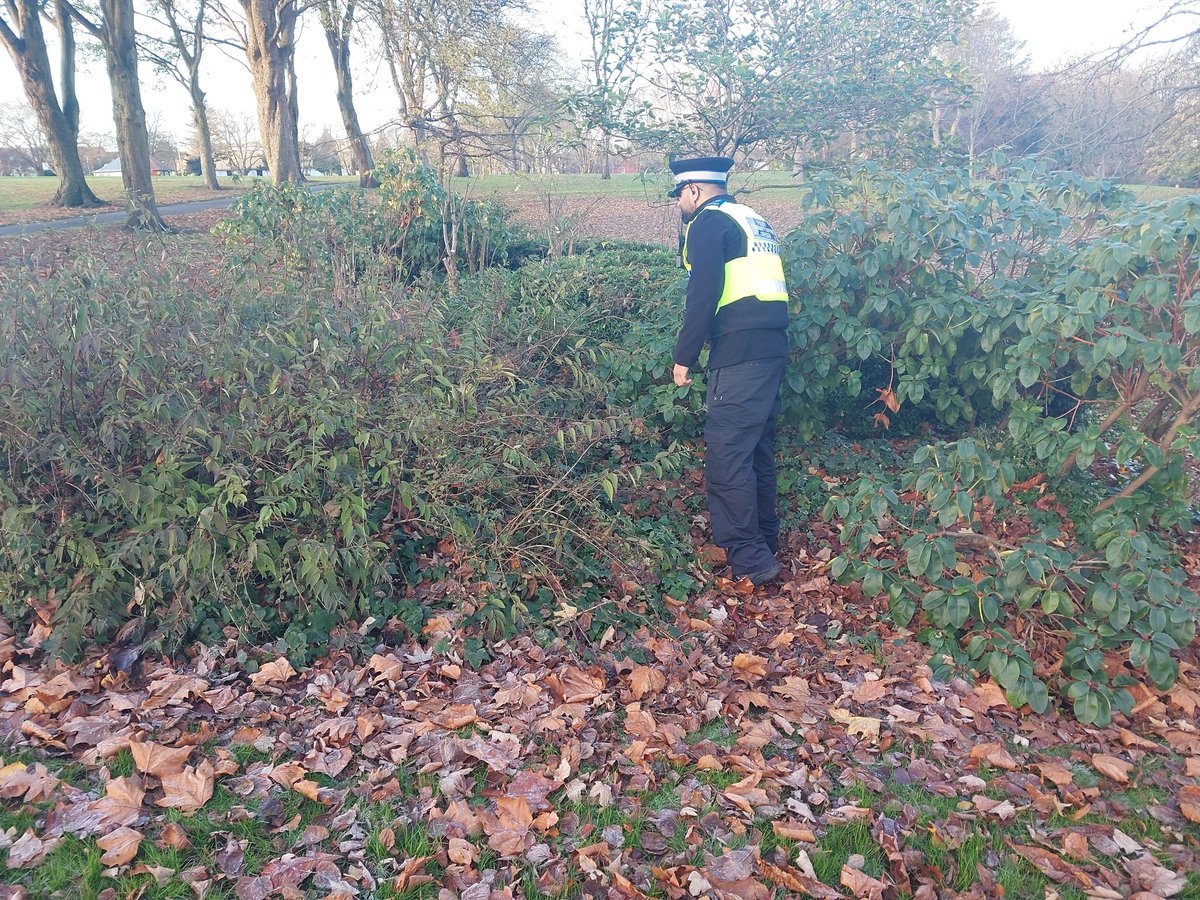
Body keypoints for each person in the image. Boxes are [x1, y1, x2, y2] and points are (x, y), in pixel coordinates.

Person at [668, 156, 790, 586]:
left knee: (727, 454)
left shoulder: (707, 222)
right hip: (772, 348)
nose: (679, 202)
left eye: (680, 193)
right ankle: (765, 542)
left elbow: (704, 290)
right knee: (756, 449)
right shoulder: (752, 219)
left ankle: (751, 558)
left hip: (738, 353)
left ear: (695, 190)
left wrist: (684, 356)